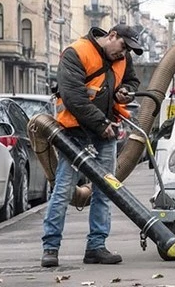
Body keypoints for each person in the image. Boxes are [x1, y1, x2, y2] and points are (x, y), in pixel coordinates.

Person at [41, 24, 142, 267]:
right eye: (123, 46)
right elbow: (73, 96)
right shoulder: (76, 52)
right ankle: (51, 247)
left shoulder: (122, 58)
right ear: (112, 35)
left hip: (104, 131)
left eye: (129, 49)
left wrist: (125, 92)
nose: (124, 53)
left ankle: (96, 247)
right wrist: (99, 124)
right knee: (64, 189)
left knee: (105, 190)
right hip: (75, 133)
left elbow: (131, 81)